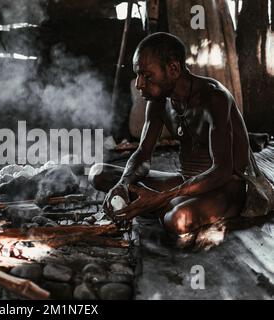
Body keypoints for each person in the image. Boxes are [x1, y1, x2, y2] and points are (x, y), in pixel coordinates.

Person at [89, 32, 252, 238]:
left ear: (173, 69)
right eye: (138, 75)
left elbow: (222, 171)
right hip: (184, 182)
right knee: (99, 173)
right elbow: (143, 154)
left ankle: (159, 205)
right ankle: (160, 203)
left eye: (147, 76)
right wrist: (123, 184)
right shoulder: (158, 102)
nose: (139, 83)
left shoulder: (214, 98)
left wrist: (162, 197)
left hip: (225, 187)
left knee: (177, 221)